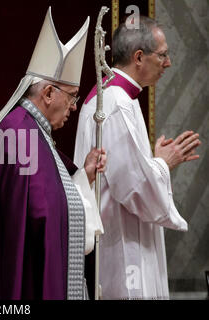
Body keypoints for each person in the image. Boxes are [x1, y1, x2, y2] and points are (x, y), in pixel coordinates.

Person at [0, 7, 106, 300]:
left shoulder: (30, 131)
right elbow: (43, 212)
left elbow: (47, 196)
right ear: (49, 93)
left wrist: (83, 175)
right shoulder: (19, 135)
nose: (74, 107)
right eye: (72, 96)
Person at [74, 16, 201, 300]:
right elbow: (133, 188)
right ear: (139, 57)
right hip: (124, 247)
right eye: (163, 55)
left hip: (116, 237)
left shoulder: (111, 97)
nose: (168, 63)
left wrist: (150, 162)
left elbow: (125, 171)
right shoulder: (117, 103)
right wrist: (162, 164)